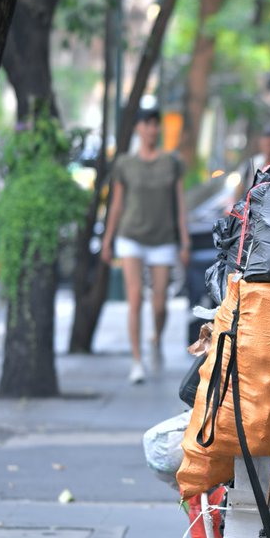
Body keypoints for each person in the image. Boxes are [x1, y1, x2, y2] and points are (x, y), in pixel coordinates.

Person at [101, 107, 190, 384]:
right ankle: (137, 361)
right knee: (135, 299)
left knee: (160, 303)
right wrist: (108, 239)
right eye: (147, 124)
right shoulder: (125, 164)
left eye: (155, 124)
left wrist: (184, 240)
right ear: (138, 128)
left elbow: (179, 203)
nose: (152, 130)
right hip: (130, 236)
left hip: (162, 238)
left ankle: (156, 338)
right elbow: (116, 205)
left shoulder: (170, 162)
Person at [234, 125, 270, 201]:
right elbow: (238, 191)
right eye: (267, 145)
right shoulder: (250, 165)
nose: (269, 148)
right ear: (261, 143)